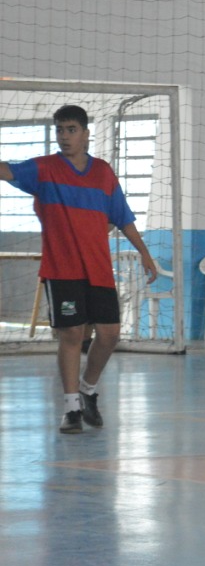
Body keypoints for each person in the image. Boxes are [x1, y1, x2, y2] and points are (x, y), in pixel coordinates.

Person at [0, 104, 159, 434]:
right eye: (59, 130)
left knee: (110, 334)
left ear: (86, 134)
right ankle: (71, 407)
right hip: (62, 270)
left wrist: (144, 252)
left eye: (71, 129)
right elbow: (6, 170)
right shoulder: (43, 169)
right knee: (72, 334)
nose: (64, 136)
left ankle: (88, 390)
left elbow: (123, 217)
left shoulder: (103, 173)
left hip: (98, 269)